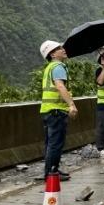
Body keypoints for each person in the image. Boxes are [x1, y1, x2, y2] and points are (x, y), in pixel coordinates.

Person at [39, 40, 77, 180]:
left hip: (48, 110)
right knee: (55, 143)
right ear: (52, 54)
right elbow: (60, 86)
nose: (63, 49)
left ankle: (50, 171)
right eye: (59, 48)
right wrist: (71, 105)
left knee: (50, 143)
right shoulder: (58, 66)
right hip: (56, 110)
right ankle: (52, 173)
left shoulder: (49, 67)